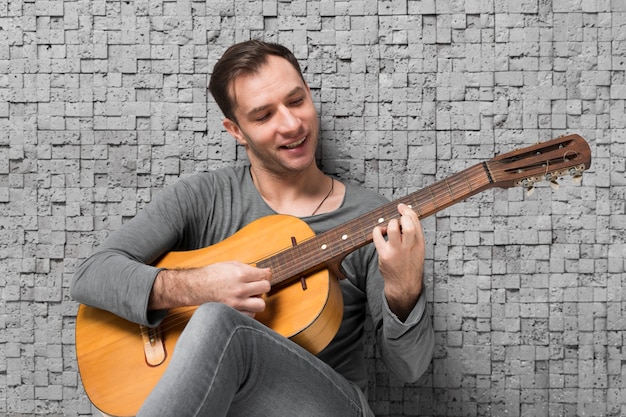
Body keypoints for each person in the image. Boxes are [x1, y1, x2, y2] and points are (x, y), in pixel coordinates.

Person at [71, 39, 434, 417]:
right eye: (264, 116)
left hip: (330, 407)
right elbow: (91, 275)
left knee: (220, 321)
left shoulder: (370, 217)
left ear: (309, 95)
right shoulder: (203, 197)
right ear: (236, 130)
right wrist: (198, 286)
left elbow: (410, 367)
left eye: (296, 101)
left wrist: (404, 286)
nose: (292, 124)